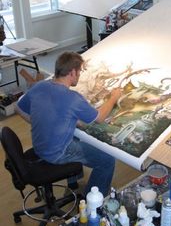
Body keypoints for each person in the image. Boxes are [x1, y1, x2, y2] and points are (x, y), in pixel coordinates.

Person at [15, 51, 122, 196]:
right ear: (72, 72)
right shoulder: (73, 98)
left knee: (75, 135)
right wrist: (114, 97)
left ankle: (73, 181)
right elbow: (99, 118)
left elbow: (18, 108)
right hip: (56, 153)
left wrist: (42, 121)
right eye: (79, 72)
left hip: (39, 146)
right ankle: (92, 202)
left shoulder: (40, 86)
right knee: (107, 161)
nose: (79, 76)